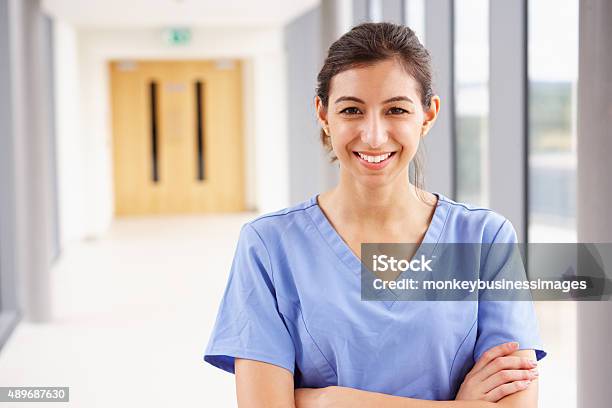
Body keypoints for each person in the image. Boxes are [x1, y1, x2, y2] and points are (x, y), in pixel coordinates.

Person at [203, 22, 546, 407]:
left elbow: (518, 401)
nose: (374, 135)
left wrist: (328, 401)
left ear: (428, 115)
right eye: (351, 109)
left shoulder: (485, 238)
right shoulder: (269, 246)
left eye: (396, 109)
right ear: (323, 114)